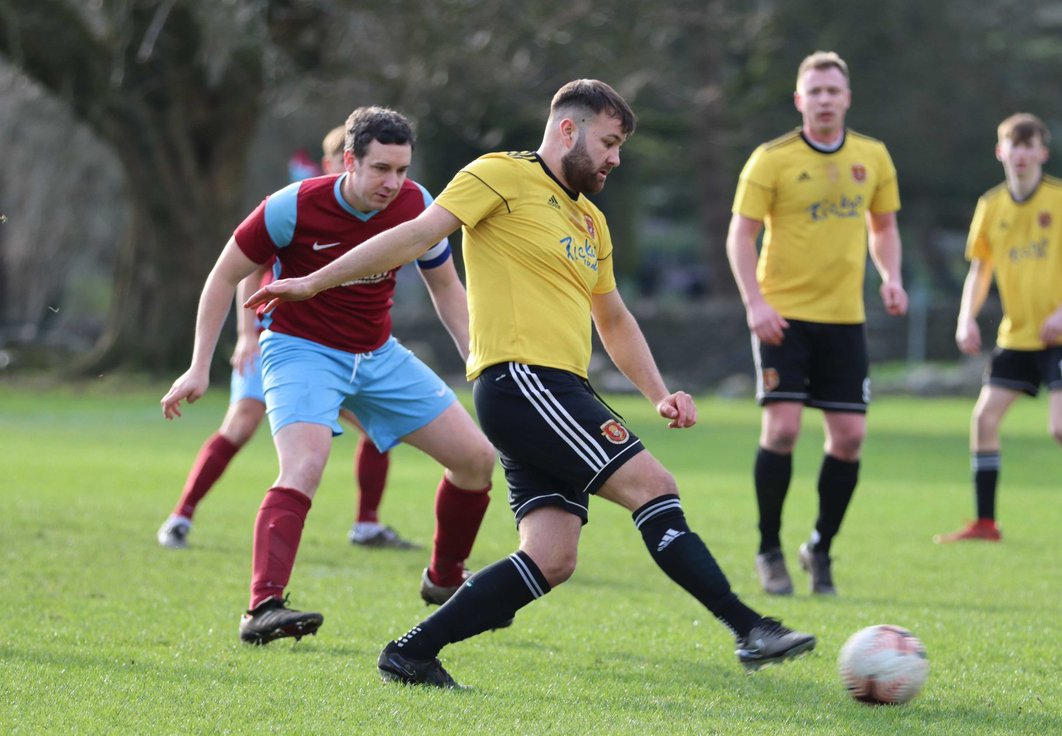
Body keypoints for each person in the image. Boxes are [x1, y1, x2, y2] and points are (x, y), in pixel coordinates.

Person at [247, 79, 816, 687]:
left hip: (556, 390)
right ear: (568, 130)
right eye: (609, 142)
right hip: (523, 381)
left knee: (552, 557)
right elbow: (414, 235)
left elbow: (614, 319)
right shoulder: (498, 174)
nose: (615, 158)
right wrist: (312, 282)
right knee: (654, 485)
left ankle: (410, 653)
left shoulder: (592, 221)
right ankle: (749, 627)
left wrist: (658, 393)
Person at [161, 106, 497, 645]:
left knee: (477, 461)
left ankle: (444, 580)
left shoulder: (418, 206)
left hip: (378, 354)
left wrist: (478, 362)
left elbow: (446, 289)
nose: (393, 183)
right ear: (348, 161)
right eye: (381, 169)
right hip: (301, 351)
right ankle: (262, 608)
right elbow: (223, 276)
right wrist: (199, 366)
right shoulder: (290, 207)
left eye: (402, 170)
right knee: (305, 466)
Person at [157, 125, 417, 551]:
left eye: (397, 170)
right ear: (339, 164)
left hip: (338, 350)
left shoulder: (380, 212)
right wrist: (246, 335)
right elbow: (243, 273)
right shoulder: (299, 206)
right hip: (279, 339)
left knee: (377, 428)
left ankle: (367, 524)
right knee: (242, 423)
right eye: (331, 164)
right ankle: (181, 516)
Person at [725, 51, 907, 597]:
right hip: (784, 315)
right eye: (815, 91)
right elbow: (740, 236)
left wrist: (891, 275)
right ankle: (768, 549)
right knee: (781, 430)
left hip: (845, 319)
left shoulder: (872, 156)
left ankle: (820, 548)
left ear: (847, 98)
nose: (825, 99)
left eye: (834, 90)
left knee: (849, 438)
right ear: (800, 100)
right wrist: (755, 304)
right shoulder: (770, 159)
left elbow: (885, 226)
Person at [936, 112, 1062, 548]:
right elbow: (979, 269)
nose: (1021, 153)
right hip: (1018, 334)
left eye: (1030, 146)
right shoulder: (990, 206)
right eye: (1014, 144)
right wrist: (965, 317)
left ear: (1042, 153)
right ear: (1000, 151)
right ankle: (986, 523)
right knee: (984, 419)